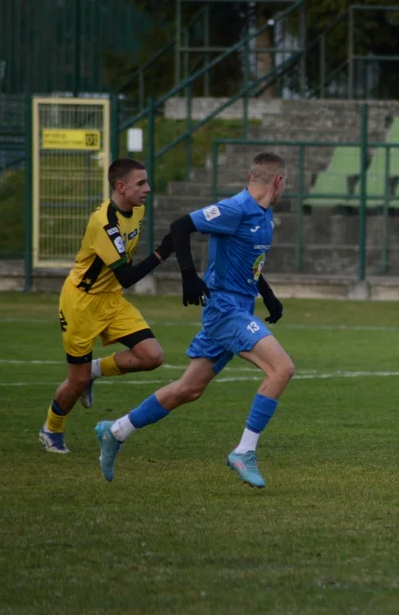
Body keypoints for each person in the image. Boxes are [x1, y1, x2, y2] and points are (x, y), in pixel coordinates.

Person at [94, 152, 292, 488]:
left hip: (239, 308)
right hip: (224, 310)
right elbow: (180, 226)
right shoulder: (235, 208)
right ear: (278, 181)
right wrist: (189, 275)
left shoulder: (264, 215)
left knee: (188, 390)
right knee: (282, 368)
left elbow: (248, 263)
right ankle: (244, 451)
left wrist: (268, 294)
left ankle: (116, 430)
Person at [40, 158, 178, 454]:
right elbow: (127, 276)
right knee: (74, 381)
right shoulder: (103, 223)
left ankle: (94, 371)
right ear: (120, 186)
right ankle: (51, 428)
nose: (148, 189)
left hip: (111, 299)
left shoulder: (137, 209)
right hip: (81, 303)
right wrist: (163, 252)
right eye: (141, 183)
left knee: (152, 356)